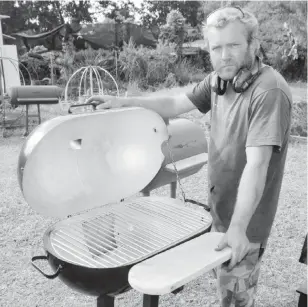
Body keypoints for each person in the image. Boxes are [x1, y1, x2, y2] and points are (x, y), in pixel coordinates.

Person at [86, 6, 292, 307]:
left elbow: (257, 164)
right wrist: (121, 101)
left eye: (233, 45)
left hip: (245, 224)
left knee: (234, 300)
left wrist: (238, 229)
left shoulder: (268, 91)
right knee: (223, 286)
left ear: (253, 45)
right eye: (216, 47)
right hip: (221, 211)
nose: (224, 56)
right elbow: (173, 102)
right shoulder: (219, 81)